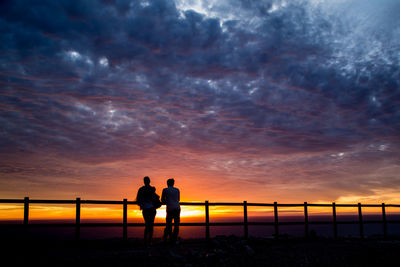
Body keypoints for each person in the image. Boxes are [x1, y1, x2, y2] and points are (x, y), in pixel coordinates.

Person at [136, 176, 157, 246]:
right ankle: (149, 241)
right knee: (151, 225)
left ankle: (145, 241)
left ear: (144, 182)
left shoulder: (141, 189)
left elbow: (138, 200)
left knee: (147, 225)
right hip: (152, 209)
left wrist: (142, 204)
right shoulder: (152, 189)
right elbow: (155, 198)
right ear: (149, 181)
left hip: (145, 209)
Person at [161, 178, 180, 244]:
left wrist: (167, 201)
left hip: (170, 209)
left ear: (167, 183)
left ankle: (167, 239)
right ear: (173, 183)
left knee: (169, 225)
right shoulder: (177, 190)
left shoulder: (165, 190)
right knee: (176, 225)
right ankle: (174, 240)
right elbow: (178, 199)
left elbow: (162, 200)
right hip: (177, 208)